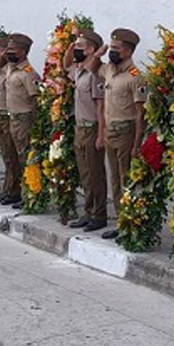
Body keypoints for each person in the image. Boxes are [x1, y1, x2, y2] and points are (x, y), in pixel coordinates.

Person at [93, 28, 146, 239]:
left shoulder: (135, 77)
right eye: (111, 48)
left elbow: (141, 115)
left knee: (127, 180)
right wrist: (101, 50)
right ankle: (120, 222)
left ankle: (131, 224)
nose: (111, 52)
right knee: (114, 180)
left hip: (126, 133)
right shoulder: (109, 71)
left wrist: (136, 144)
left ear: (128, 51)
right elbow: (90, 65)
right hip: (110, 133)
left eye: (116, 49)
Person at [64, 29, 108, 232]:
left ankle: (98, 215)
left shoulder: (94, 74)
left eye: (81, 47)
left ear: (91, 50)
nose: (76, 50)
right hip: (80, 128)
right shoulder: (79, 70)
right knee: (85, 173)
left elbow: (101, 106)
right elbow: (65, 64)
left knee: (95, 173)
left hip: (92, 129)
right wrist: (72, 45)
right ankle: (88, 212)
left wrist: (101, 134)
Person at [5, 33, 40, 209]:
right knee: (16, 157)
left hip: (24, 118)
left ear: (23, 52)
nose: (8, 52)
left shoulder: (28, 73)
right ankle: (17, 192)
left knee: (26, 157)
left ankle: (29, 195)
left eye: (12, 50)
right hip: (13, 117)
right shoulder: (12, 69)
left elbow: (36, 99)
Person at [0, 36, 20, 204]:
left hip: (10, 116)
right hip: (0, 115)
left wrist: (3, 57)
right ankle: (8, 188)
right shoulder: (0, 71)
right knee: (6, 155)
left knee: (12, 155)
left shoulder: (10, 70)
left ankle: (14, 189)